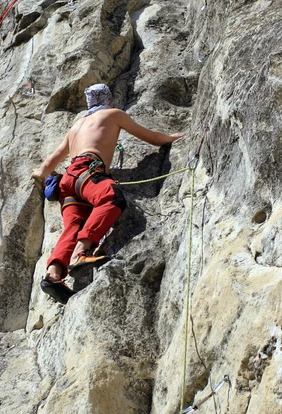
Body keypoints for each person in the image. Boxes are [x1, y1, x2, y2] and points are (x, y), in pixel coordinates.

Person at [31, 83, 184, 303]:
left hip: (68, 181)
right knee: (111, 198)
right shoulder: (113, 114)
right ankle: (81, 253)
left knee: (73, 227)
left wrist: (38, 173)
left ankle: (53, 275)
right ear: (109, 101)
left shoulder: (75, 127)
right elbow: (151, 137)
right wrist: (172, 137)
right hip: (88, 170)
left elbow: (47, 164)